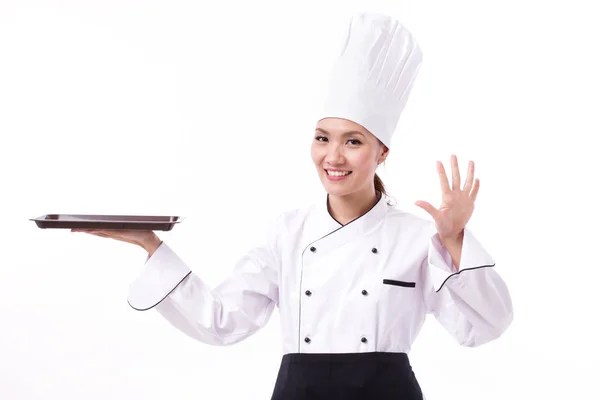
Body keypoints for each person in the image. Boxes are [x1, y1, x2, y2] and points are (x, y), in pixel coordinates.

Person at [73, 12, 513, 400]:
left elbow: (484, 328)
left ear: (382, 153)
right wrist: (151, 247)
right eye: (323, 138)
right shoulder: (285, 233)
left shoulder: (418, 237)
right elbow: (223, 322)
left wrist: (454, 240)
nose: (333, 157)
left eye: (353, 141)